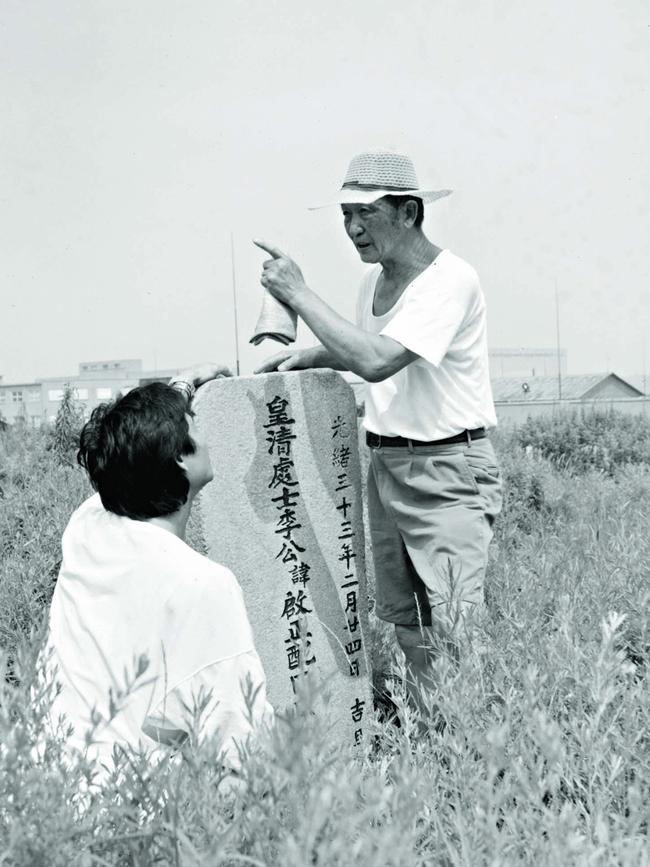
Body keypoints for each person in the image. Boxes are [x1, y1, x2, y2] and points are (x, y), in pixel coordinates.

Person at [254, 149, 503, 709]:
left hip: (448, 470)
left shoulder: (450, 280)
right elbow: (360, 352)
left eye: (365, 213)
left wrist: (299, 294)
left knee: (459, 624)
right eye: (345, 215)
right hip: (388, 463)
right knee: (407, 618)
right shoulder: (374, 285)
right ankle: (433, 733)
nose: (353, 228)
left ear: (410, 212)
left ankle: (481, 759)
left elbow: (378, 360)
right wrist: (307, 356)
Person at [43, 363, 273, 782]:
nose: (204, 433)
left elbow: (125, 457)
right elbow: (244, 741)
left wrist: (179, 389)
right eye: (193, 425)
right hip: (132, 810)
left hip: (47, 780)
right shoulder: (203, 584)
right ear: (179, 460)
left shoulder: (88, 526)